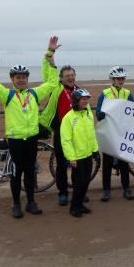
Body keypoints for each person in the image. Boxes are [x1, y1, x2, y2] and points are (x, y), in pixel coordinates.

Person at [0, 45, 58, 218]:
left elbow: (52, 84)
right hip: (15, 140)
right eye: (17, 77)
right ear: (12, 79)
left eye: (24, 77)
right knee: (16, 173)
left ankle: (31, 202)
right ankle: (16, 204)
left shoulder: (34, 94)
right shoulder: (8, 95)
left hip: (31, 138)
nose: (21, 80)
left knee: (30, 172)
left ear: (27, 79)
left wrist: (52, 62)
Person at [37, 37, 89, 206]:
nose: (70, 78)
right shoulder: (55, 87)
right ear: (61, 78)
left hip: (77, 132)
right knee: (61, 164)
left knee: (78, 164)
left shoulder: (80, 91)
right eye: (67, 76)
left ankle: (78, 191)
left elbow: (86, 111)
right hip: (60, 131)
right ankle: (62, 192)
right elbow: (47, 72)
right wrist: (50, 53)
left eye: (72, 75)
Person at [95, 66, 134, 202]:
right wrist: (108, 113)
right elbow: (99, 115)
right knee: (106, 163)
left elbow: (133, 114)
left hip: (122, 133)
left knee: (124, 162)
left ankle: (127, 189)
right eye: (118, 78)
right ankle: (106, 190)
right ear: (112, 79)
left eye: (122, 78)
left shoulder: (128, 93)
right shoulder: (104, 93)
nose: (120, 80)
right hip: (109, 133)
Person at [61, 89, 99, 217]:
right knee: (78, 183)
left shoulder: (88, 114)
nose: (86, 101)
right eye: (83, 99)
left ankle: (80, 205)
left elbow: (92, 134)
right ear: (76, 101)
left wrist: (95, 151)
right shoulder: (69, 118)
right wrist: (71, 157)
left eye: (87, 99)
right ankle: (74, 207)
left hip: (88, 154)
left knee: (86, 182)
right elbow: (66, 140)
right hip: (76, 157)